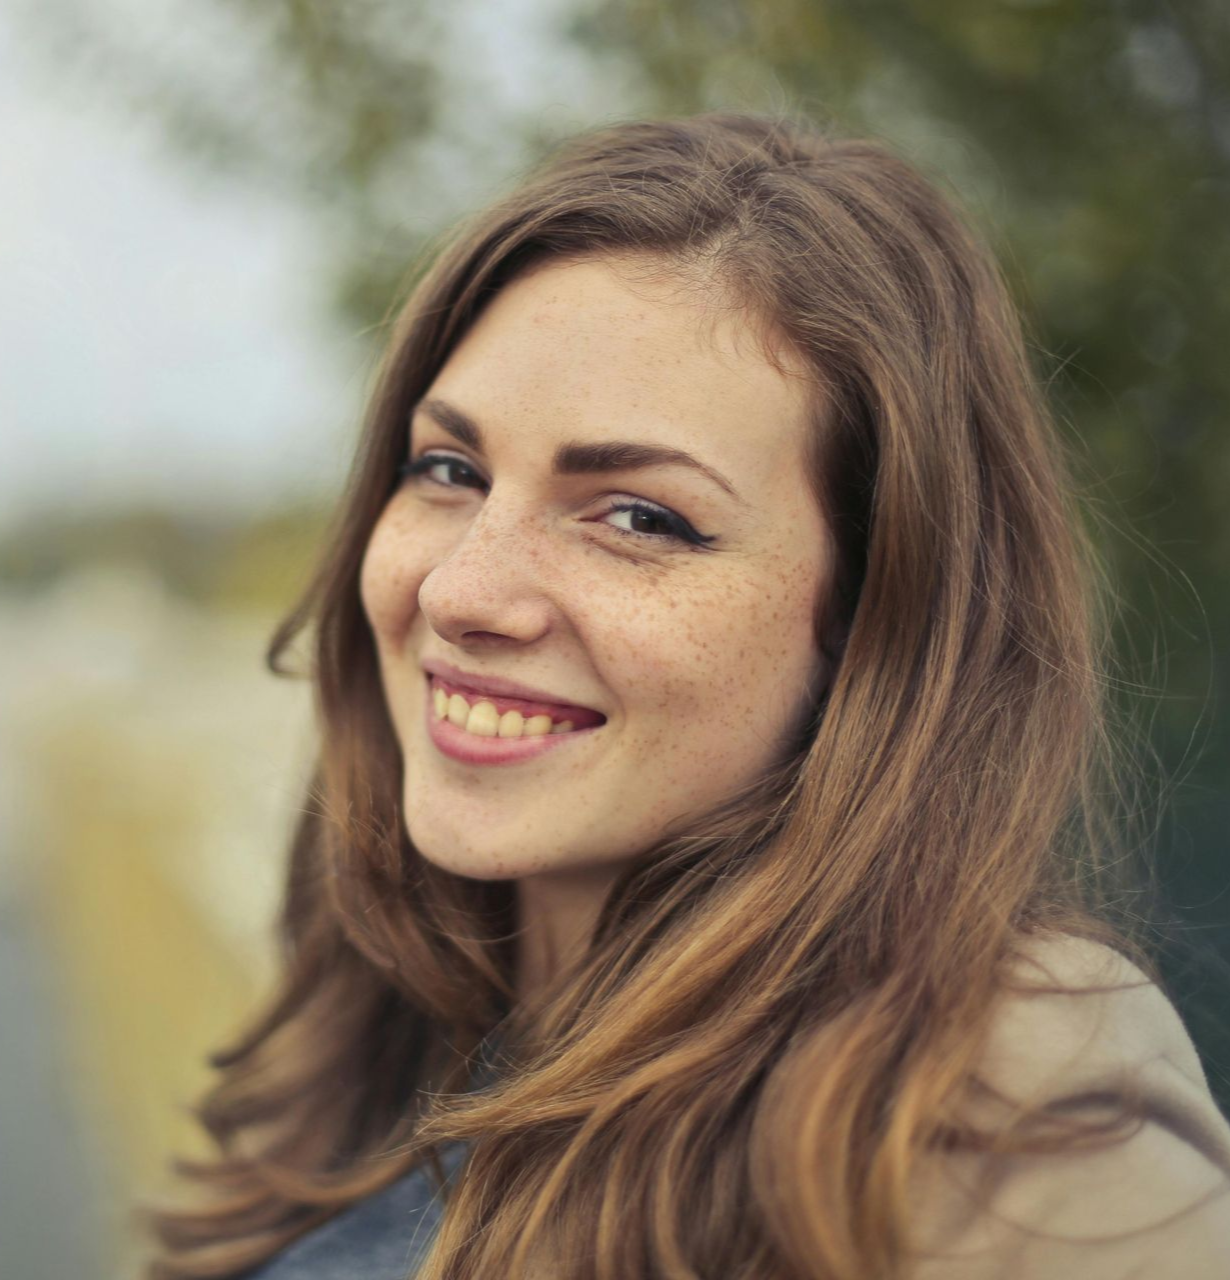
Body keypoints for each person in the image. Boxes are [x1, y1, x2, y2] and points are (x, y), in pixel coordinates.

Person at [143, 113, 1230, 1279]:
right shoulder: (392, 1016)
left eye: (639, 517)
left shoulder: (1001, 1107)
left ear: (875, 621)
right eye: (448, 470)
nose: (464, 590)